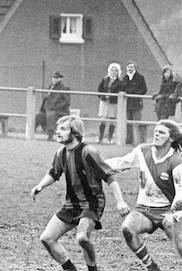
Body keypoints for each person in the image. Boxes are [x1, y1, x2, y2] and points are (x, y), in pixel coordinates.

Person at [30, 115, 127, 271]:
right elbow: (54, 173)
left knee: (82, 238)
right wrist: (40, 186)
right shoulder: (61, 152)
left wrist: (120, 201)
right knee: (47, 239)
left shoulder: (88, 152)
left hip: (92, 203)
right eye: (57, 129)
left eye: (63, 129)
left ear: (74, 132)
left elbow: (109, 176)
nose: (57, 132)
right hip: (71, 204)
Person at [106, 119, 182, 271]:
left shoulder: (176, 161)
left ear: (171, 138)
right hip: (144, 210)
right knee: (127, 229)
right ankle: (152, 267)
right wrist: (97, 164)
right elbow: (122, 162)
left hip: (168, 212)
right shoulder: (142, 151)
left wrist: (172, 215)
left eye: (161, 132)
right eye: (155, 131)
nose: (156, 134)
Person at [39, 71, 71, 141]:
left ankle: (50, 135)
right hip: (49, 109)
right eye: (53, 77)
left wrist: (55, 107)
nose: (54, 79)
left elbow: (67, 102)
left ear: (61, 79)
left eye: (56, 77)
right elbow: (46, 98)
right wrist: (43, 108)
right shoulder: (51, 87)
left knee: (51, 115)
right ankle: (31, 134)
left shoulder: (65, 88)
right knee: (38, 115)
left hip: (61, 111)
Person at [96, 63, 122, 144]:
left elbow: (120, 91)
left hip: (113, 103)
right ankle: (100, 138)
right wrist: (102, 96)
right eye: (112, 70)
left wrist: (111, 97)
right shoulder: (105, 79)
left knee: (112, 120)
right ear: (109, 71)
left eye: (115, 70)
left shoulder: (120, 82)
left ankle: (110, 138)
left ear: (118, 72)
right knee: (102, 119)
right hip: (104, 102)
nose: (113, 72)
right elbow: (100, 89)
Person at [123, 61, 148, 145]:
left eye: (131, 67)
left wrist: (135, 94)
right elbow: (122, 88)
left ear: (134, 68)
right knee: (128, 122)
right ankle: (129, 140)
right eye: (128, 67)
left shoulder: (140, 78)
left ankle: (137, 140)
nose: (130, 68)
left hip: (136, 103)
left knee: (137, 122)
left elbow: (144, 89)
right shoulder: (125, 78)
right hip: (127, 103)